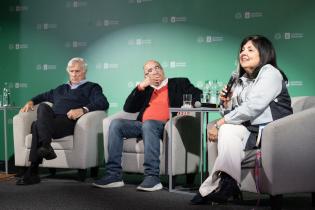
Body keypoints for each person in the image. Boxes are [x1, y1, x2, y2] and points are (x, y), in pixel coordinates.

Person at [190, 35, 293, 204]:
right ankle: (229, 184)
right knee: (228, 129)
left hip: (273, 131)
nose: (243, 53)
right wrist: (226, 102)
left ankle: (208, 189)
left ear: (264, 53)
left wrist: (219, 123)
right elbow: (232, 114)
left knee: (225, 127)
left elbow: (253, 106)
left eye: (250, 49)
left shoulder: (271, 73)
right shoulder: (241, 80)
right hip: (251, 129)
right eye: (242, 49)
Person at [93, 60, 202, 191]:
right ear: (146, 76)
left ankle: (152, 177)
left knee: (149, 124)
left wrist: (189, 105)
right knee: (116, 124)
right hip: (142, 125)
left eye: (157, 67)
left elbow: (198, 94)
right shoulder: (145, 89)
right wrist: (140, 87)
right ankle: (113, 175)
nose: (155, 71)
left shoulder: (179, 82)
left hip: (166, 127)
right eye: (149, 71)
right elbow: (129, 108)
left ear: (162, 70)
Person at [16, 57, 109, 185]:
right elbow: (41, 97)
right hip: (51, 122)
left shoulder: (92, 87)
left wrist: (83, 110)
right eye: (72, 71)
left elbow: (103, 102)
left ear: (84, 71)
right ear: (68, 72)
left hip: (68, 122)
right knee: (43, 107)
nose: (74, 74)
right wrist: (31, 101)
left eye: (78, 71)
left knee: (37, 125)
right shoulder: (60, 89)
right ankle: (46, 146)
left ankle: (33, 171)